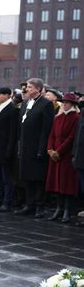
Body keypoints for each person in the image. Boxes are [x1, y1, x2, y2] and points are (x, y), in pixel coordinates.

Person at [15, 78, 55, 217]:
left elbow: (46, 129)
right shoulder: (26, 103)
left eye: (30, 87)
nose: (27, 89)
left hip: (38, 147)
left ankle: (39, 206)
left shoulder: (46, 104)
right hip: (25, 147)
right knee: (27, 177)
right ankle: (29, 204)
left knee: (38, 178)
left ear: (38, 89)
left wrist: (42, 149)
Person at [46, 93, 80, 223]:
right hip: (55, 155)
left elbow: (71, 137)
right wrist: (50, 150)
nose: (64, 104)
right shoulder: (58, 118)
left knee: (67, 183)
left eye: (67, 102)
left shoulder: (75, 118)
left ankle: (66, 210)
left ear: (72, 104)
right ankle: (58, 208)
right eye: (63, 102)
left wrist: (58, 151)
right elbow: (52, 135)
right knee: (57, 183)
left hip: (66, 155)